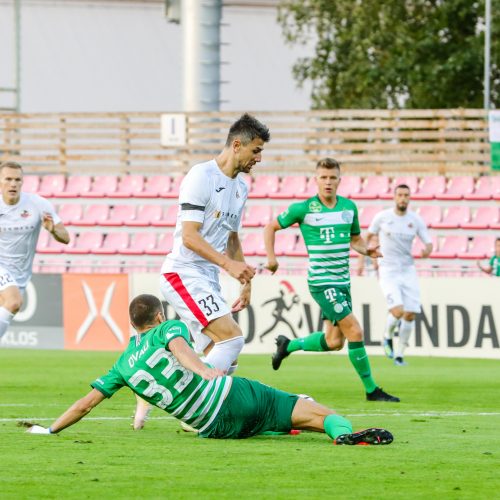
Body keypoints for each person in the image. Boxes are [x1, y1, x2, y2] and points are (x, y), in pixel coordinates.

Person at [25, 294, 393, 446]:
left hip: (213, 428)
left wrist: (50, 428)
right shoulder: (168, 329)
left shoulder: (122, 364)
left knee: (273, 423)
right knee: (313, 408)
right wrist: (204, 370)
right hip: (228, 395)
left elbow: (86, 404)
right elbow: (182, 351)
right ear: (157, 317)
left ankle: (292, 425)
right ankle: (345, 434)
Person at [263, 158, 399, 403]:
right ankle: (372, 390)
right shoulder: (303, 209)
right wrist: (272, 259)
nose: (328, 182)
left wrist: (367, 250)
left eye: (332, 177)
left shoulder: (348, 208)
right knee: (355, 331)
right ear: (316, 179)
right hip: (322, 282)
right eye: (323, 177)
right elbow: (269, 227)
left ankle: (287, 346)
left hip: (342, 282)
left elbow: (355, 240)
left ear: (339, 180)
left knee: (334, 341)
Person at [159, 113, 270, 373]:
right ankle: (180, 390)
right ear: (236, 145)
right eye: (256, 151)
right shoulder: (201, 176)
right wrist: (227, 265)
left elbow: (232, 238)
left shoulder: (241, 188)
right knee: (232, 339)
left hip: (207, 277)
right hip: (183, 272)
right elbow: (189, 237)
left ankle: (207, 410)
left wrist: (245, 282)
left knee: (227, 362)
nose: (259, 158)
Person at [0, 161, 70, 340]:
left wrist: (52, 228)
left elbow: (66, 237)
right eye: (8, 179)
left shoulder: (37, 204)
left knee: (9, 306)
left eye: (17, 179)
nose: (13, 184)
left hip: (20, 274)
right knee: (14, 302)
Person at [366, 184, 433, 366]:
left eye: (406, 195)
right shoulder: (383, 217)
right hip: (387, 270)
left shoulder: (415, 220)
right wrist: (368, 255)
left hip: (408, 270)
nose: (403, 198)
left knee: (410, 314)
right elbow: (369, 235)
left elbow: (428, 243)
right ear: (394, 197)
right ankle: (387, 337)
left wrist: (426, 250)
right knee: (397, 310)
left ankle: (400, 354)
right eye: (400, 195)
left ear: (409, 198)